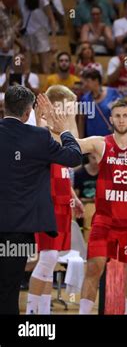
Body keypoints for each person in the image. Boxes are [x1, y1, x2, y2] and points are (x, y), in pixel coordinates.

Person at [65, 99, 127, 315]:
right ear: (111, 119)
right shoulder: (101, 143)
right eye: (117, 115)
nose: (121, 119)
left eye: (125, 115)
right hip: (105, 218)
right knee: (94, 266)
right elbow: (75, 145)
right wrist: (69, 119)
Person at [0, 86, 82, 314]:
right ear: (28, 114)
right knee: (9, 291)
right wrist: (64, 130)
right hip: (20, 229)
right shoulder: (38, 137)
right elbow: (74, 157)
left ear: (4, 107)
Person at [26, 86, 85, 315]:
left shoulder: (62, 132)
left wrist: (74, 197)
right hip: (45, 201)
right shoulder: (39, 128)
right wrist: (45, 117)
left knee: (51, 260)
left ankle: (43, 312)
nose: (71, 112)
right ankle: (32, 312)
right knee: (47, 258)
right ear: (54, 106)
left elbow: (71, 163)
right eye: (68, 107)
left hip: (62, 199)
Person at [80, 68, 123, 137]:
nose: (85, 84)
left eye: (87, 81)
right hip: (92, 140)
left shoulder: (113, 93)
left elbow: (121, 114)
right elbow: (82, 120)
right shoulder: (85, 99)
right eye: (84, 82)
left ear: (96, 81)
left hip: (111, 138)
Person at [19, 0, 57, 74]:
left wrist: (53, 41)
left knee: (45, 68)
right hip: (27, 35)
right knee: (26, 69)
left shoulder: (43, 1)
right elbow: (23, 18)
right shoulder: (21, 1)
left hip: (41, 33)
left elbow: (52, 20)